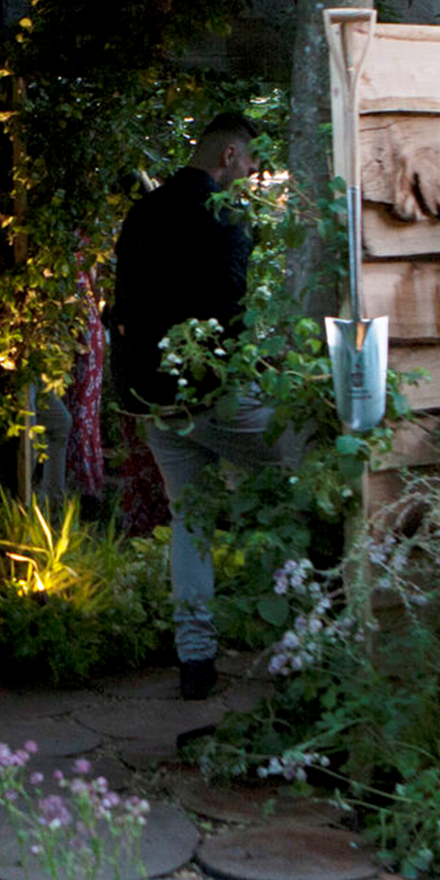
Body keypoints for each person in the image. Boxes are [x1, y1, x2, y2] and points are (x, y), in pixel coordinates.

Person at [105, 113, 271, 697]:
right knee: (309, 467)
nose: (251, 175)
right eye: (249, 163)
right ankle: (302, 633)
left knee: (190, 522)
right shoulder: (224, 214)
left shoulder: (142, 212)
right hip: (211, 396)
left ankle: (195, 660)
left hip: (152, 401)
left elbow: (120, 304)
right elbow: (232, 304)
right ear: (228, 156)